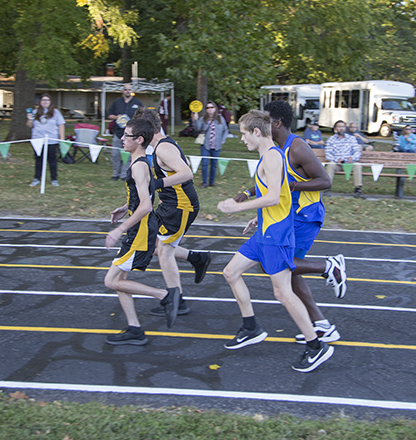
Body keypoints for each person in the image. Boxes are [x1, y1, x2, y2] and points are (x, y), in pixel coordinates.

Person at [217, 110, 334, 373]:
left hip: (276, 235)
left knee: (282, 292)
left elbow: (271, 197)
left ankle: (317, 347)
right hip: (266, 231)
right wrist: (259, 218)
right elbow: (280, 197)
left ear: (257, 132)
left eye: (244, 134)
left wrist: (237, 208)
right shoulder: (269, 155)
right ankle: (251, 328)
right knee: (230, 272)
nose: (242, 140)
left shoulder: (272, 157)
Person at [234, 101, 347, 344]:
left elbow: (325, 181)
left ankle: (328, 267)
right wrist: (249, 192)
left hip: (305, 214)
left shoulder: (296, 147)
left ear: (276, 123)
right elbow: (273, 183)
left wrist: (292, 186)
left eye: (265, 120)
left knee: (280, 268)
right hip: (287, 213)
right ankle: (321, 325)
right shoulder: (275, 148)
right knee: (284, 272)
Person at [104, 117, 180, 346]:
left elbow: (147, 205)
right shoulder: (140, 161)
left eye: (126, 135)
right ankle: (134, 328)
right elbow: (143, 195)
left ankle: (165, 295)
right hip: (138, 227)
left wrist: (120, 229)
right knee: (120, 280)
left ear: (138, 139)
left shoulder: (138, 165)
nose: (121, 139)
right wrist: (126, 207)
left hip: (140, 230)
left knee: (111, 281)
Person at [132, 108, 212, 318]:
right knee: (157, 247)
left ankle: (178, 300)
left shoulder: (162, 148)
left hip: (181, 206)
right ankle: (197, 258)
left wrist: (157, 183)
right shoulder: (159, 145)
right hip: (170, 204)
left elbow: (187, 173)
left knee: (164, 251)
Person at [106, 84, 143, 180]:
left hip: (131, 134)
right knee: (115, 154)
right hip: (118, 133)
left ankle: (124, 174)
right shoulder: (117, 102)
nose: (127, 91)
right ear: (123, 91)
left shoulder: (138, 103)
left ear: (132, 90)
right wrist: (116, 117)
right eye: (125, 89)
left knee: (128, 155)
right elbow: (109, 115)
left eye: (129, 89)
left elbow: (142, 117)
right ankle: (115, 174)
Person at [26, 94, 65, 187]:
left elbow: (61, 124)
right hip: (37, 140)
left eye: (47, 100)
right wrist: (29, 119)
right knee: (38, 160)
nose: (45, 101)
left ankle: (54, 179)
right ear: (40, 102)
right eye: (43, 100)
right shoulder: (34, 112)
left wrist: (62, 138)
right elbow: (29, 126)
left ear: (50, 102)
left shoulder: (56, 112)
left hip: (52, 140)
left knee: (52, 160)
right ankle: (37, 178)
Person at [192, 101, 229, 187]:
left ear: (215, 108)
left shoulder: (220, 118)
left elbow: (225, 130)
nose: (210, 109)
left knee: (214, 164)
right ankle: (204, 183)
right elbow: (197, 129)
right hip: (205, 144)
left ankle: (211, 182)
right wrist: (196, 119)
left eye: (212, 107)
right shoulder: (203, 119)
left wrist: (223, 140)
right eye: (208, 108)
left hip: (217, 145)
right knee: (205, 163)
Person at [325, 120, 363, 197]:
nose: (341, 128)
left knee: (358, 165)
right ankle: (327, 189)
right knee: (330, 165)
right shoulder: (331, 140)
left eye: (343, 127)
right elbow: (328, 154)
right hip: (337, 163)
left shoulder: (351, 139)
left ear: (345, 128)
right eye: (339, 127)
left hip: (349, 163)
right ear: (335, 128)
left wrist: (352, 158)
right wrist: (336, 160)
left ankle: (358, 189)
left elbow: (357, 152)